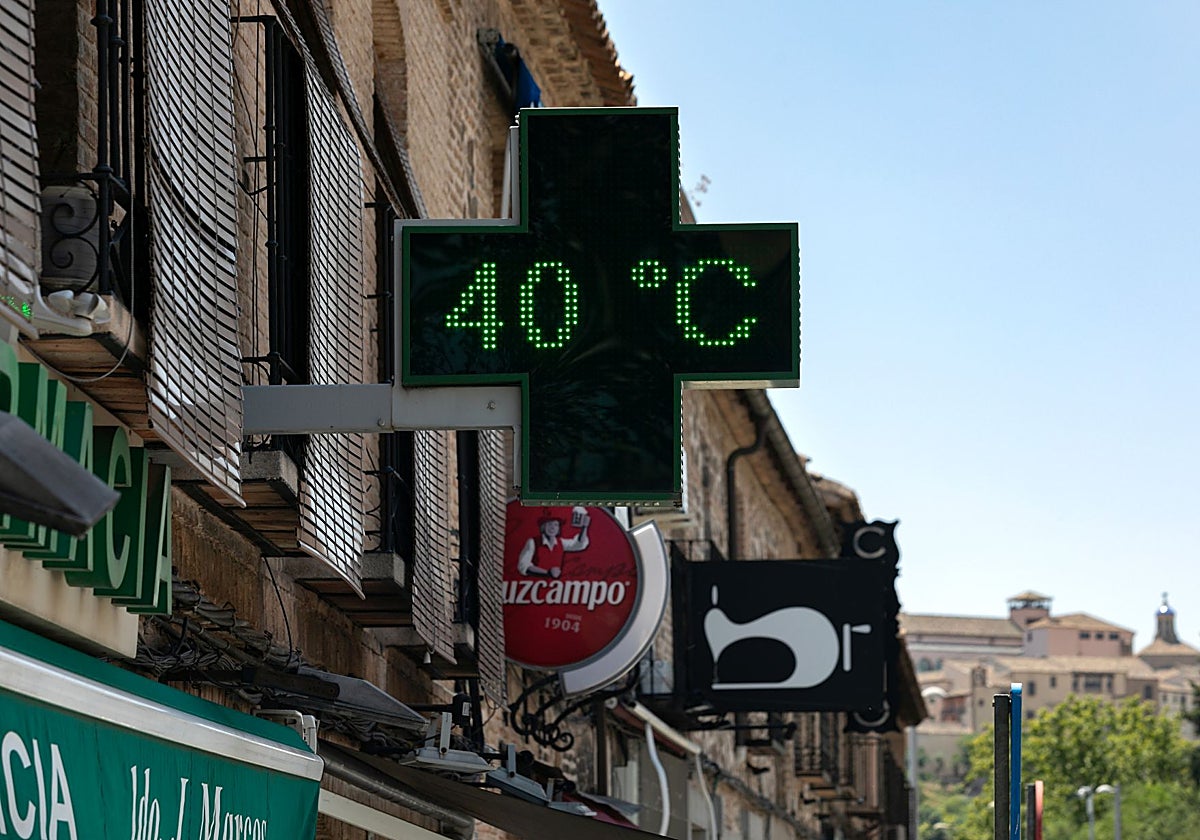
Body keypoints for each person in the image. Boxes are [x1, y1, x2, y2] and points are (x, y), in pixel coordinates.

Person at [517, 508, 590, 578]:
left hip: (555, 586)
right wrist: (547, 572)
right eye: (549, 524)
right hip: (534, 585)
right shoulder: (533, 542)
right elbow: (523, 565)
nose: (552, 528)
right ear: (543, 527)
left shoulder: (561, 543)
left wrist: (584, 527)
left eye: (555, 525)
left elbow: (579, 544)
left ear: (558, 529)